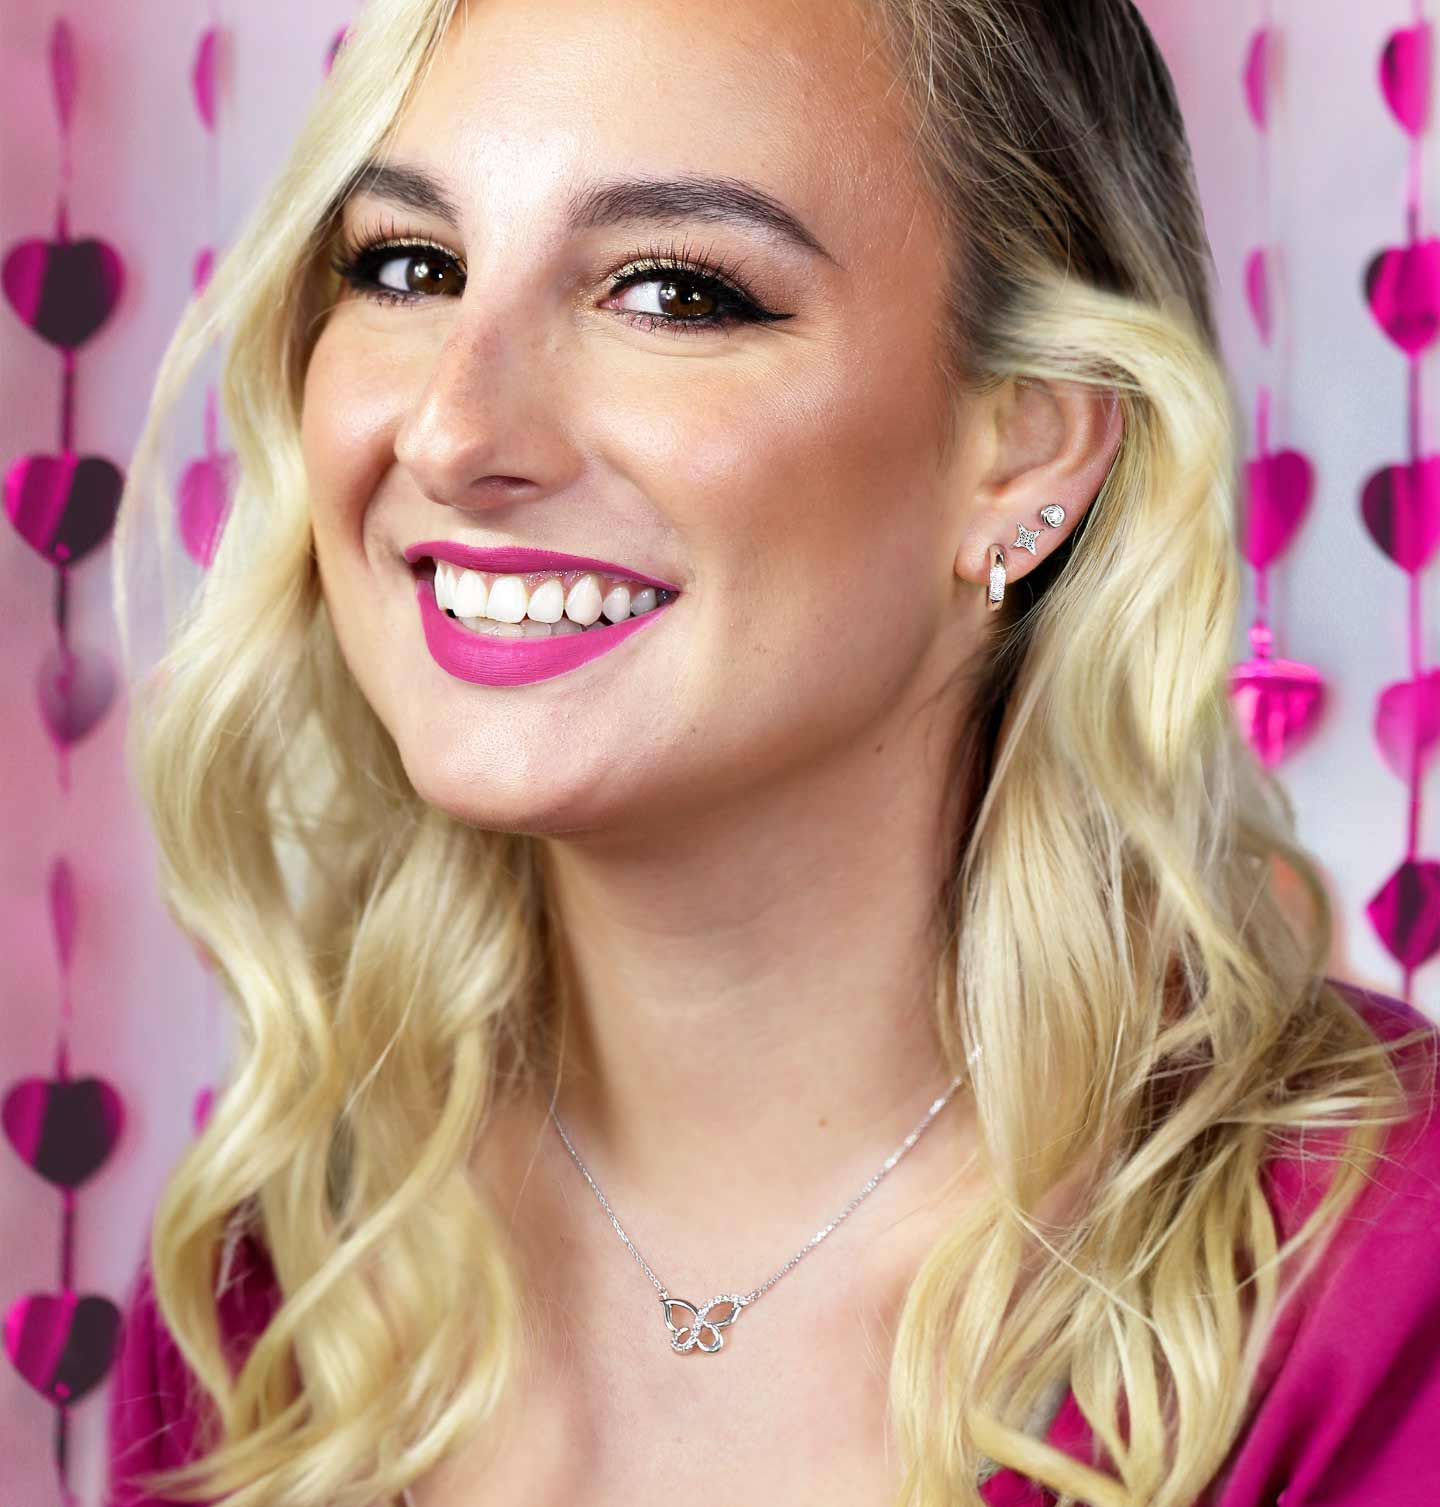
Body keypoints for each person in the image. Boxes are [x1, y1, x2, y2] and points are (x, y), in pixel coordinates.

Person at [104, 0, 1440, 1503]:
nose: (451, 434)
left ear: (1028, 448)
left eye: (674, 292)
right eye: (410, 266)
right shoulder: (266, 1297)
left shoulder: (1379, 1279)